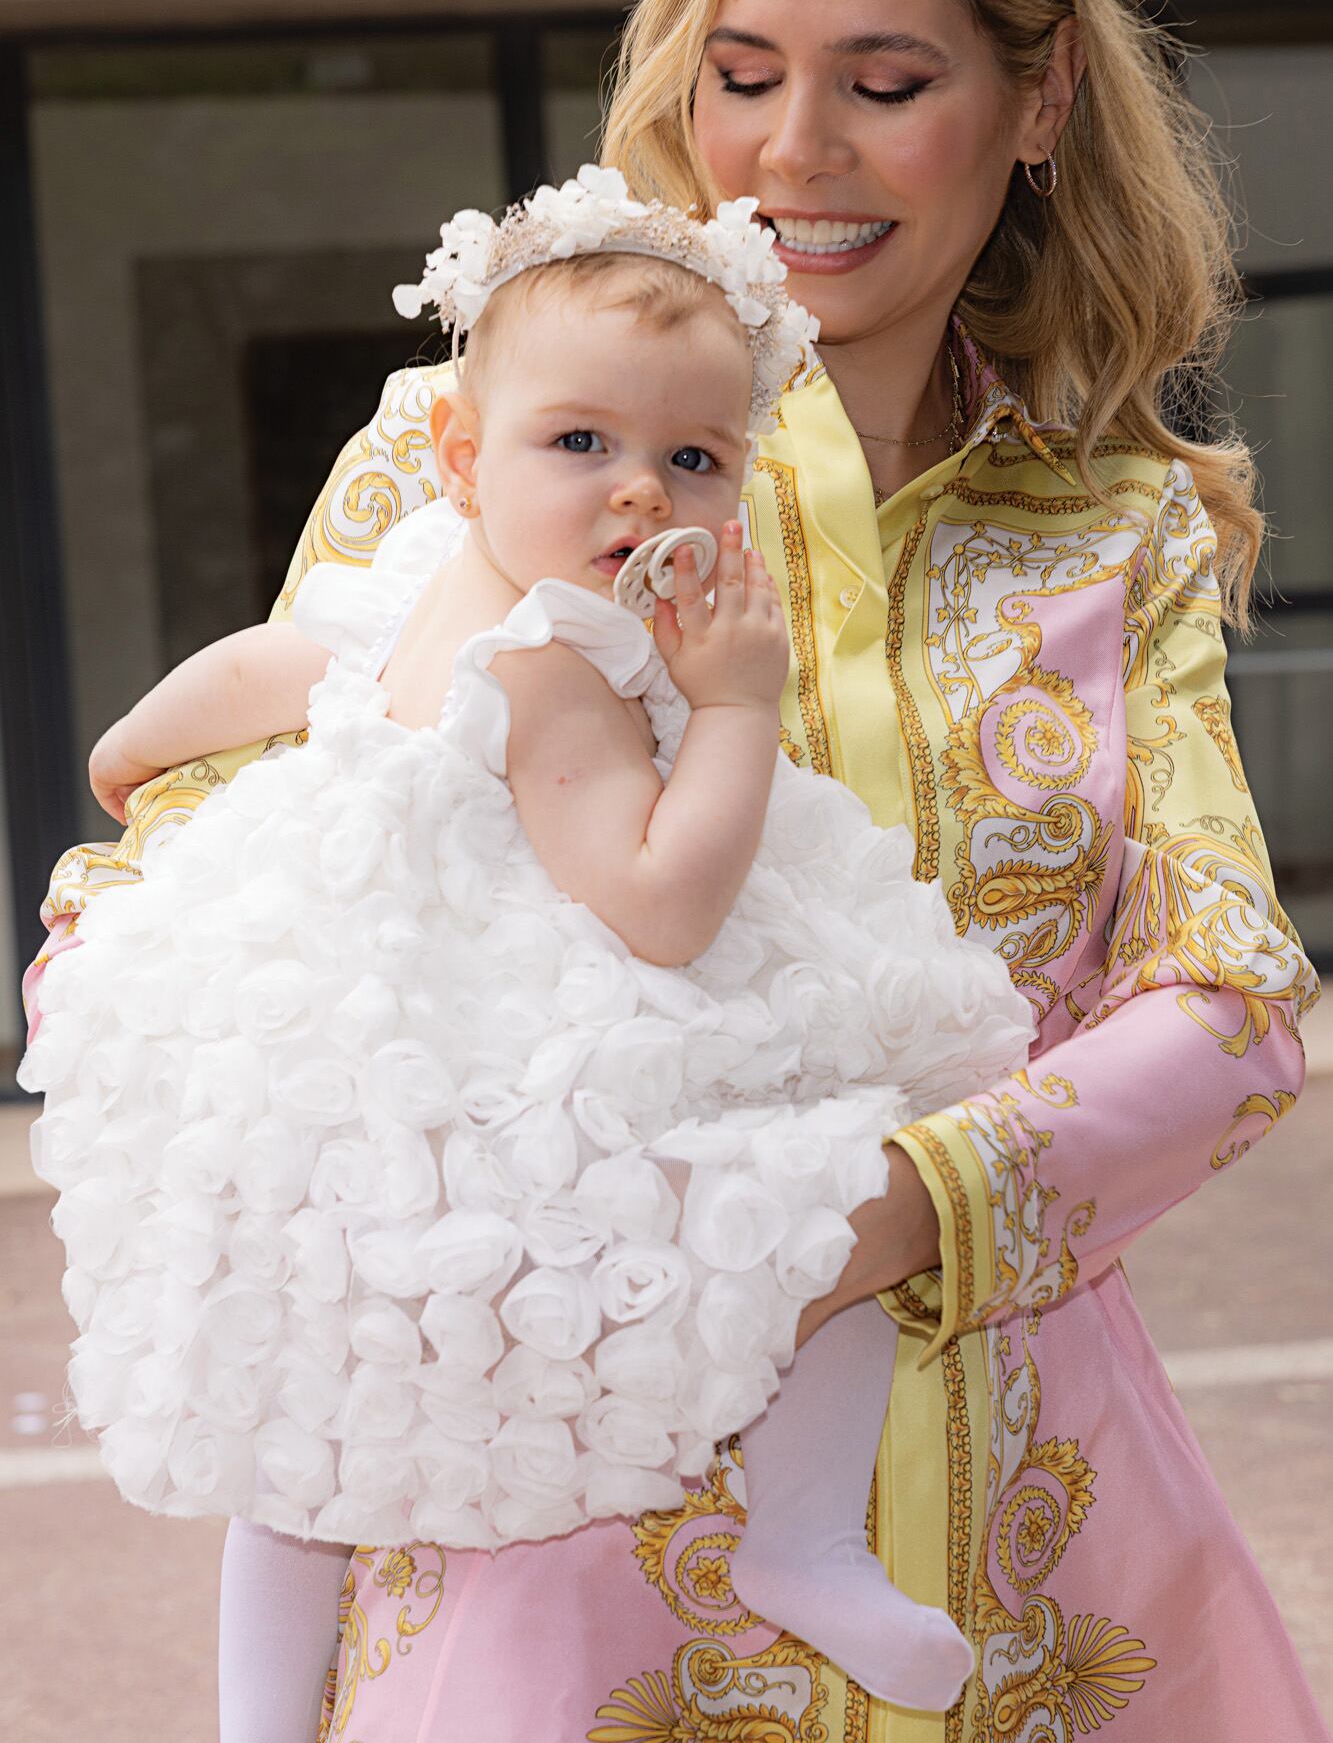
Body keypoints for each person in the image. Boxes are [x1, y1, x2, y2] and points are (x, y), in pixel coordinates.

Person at [27, 0, 1327, 1743]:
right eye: (740, 70)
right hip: (553, 1535)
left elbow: (1232, 995)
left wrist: (894, 1206)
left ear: (1037, 95)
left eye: (885, 81)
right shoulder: (481, 439)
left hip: (1018, 1540)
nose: (791, 149)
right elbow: (204, 850)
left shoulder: (1112, 529)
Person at [22, 175, 1033, 1728]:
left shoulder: (435, 576)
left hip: (358, 1056)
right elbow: (659, 902)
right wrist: (743, 706)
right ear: (459, 451)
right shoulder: (555, 660)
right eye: (582, 443)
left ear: (738, 478)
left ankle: (255, 1719)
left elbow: (278, 660)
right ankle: (805, 1540)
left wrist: (128, 752)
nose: (636, 493)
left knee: (306, 1433)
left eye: (688, 458)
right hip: (518, 1066)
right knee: (822, 1201)